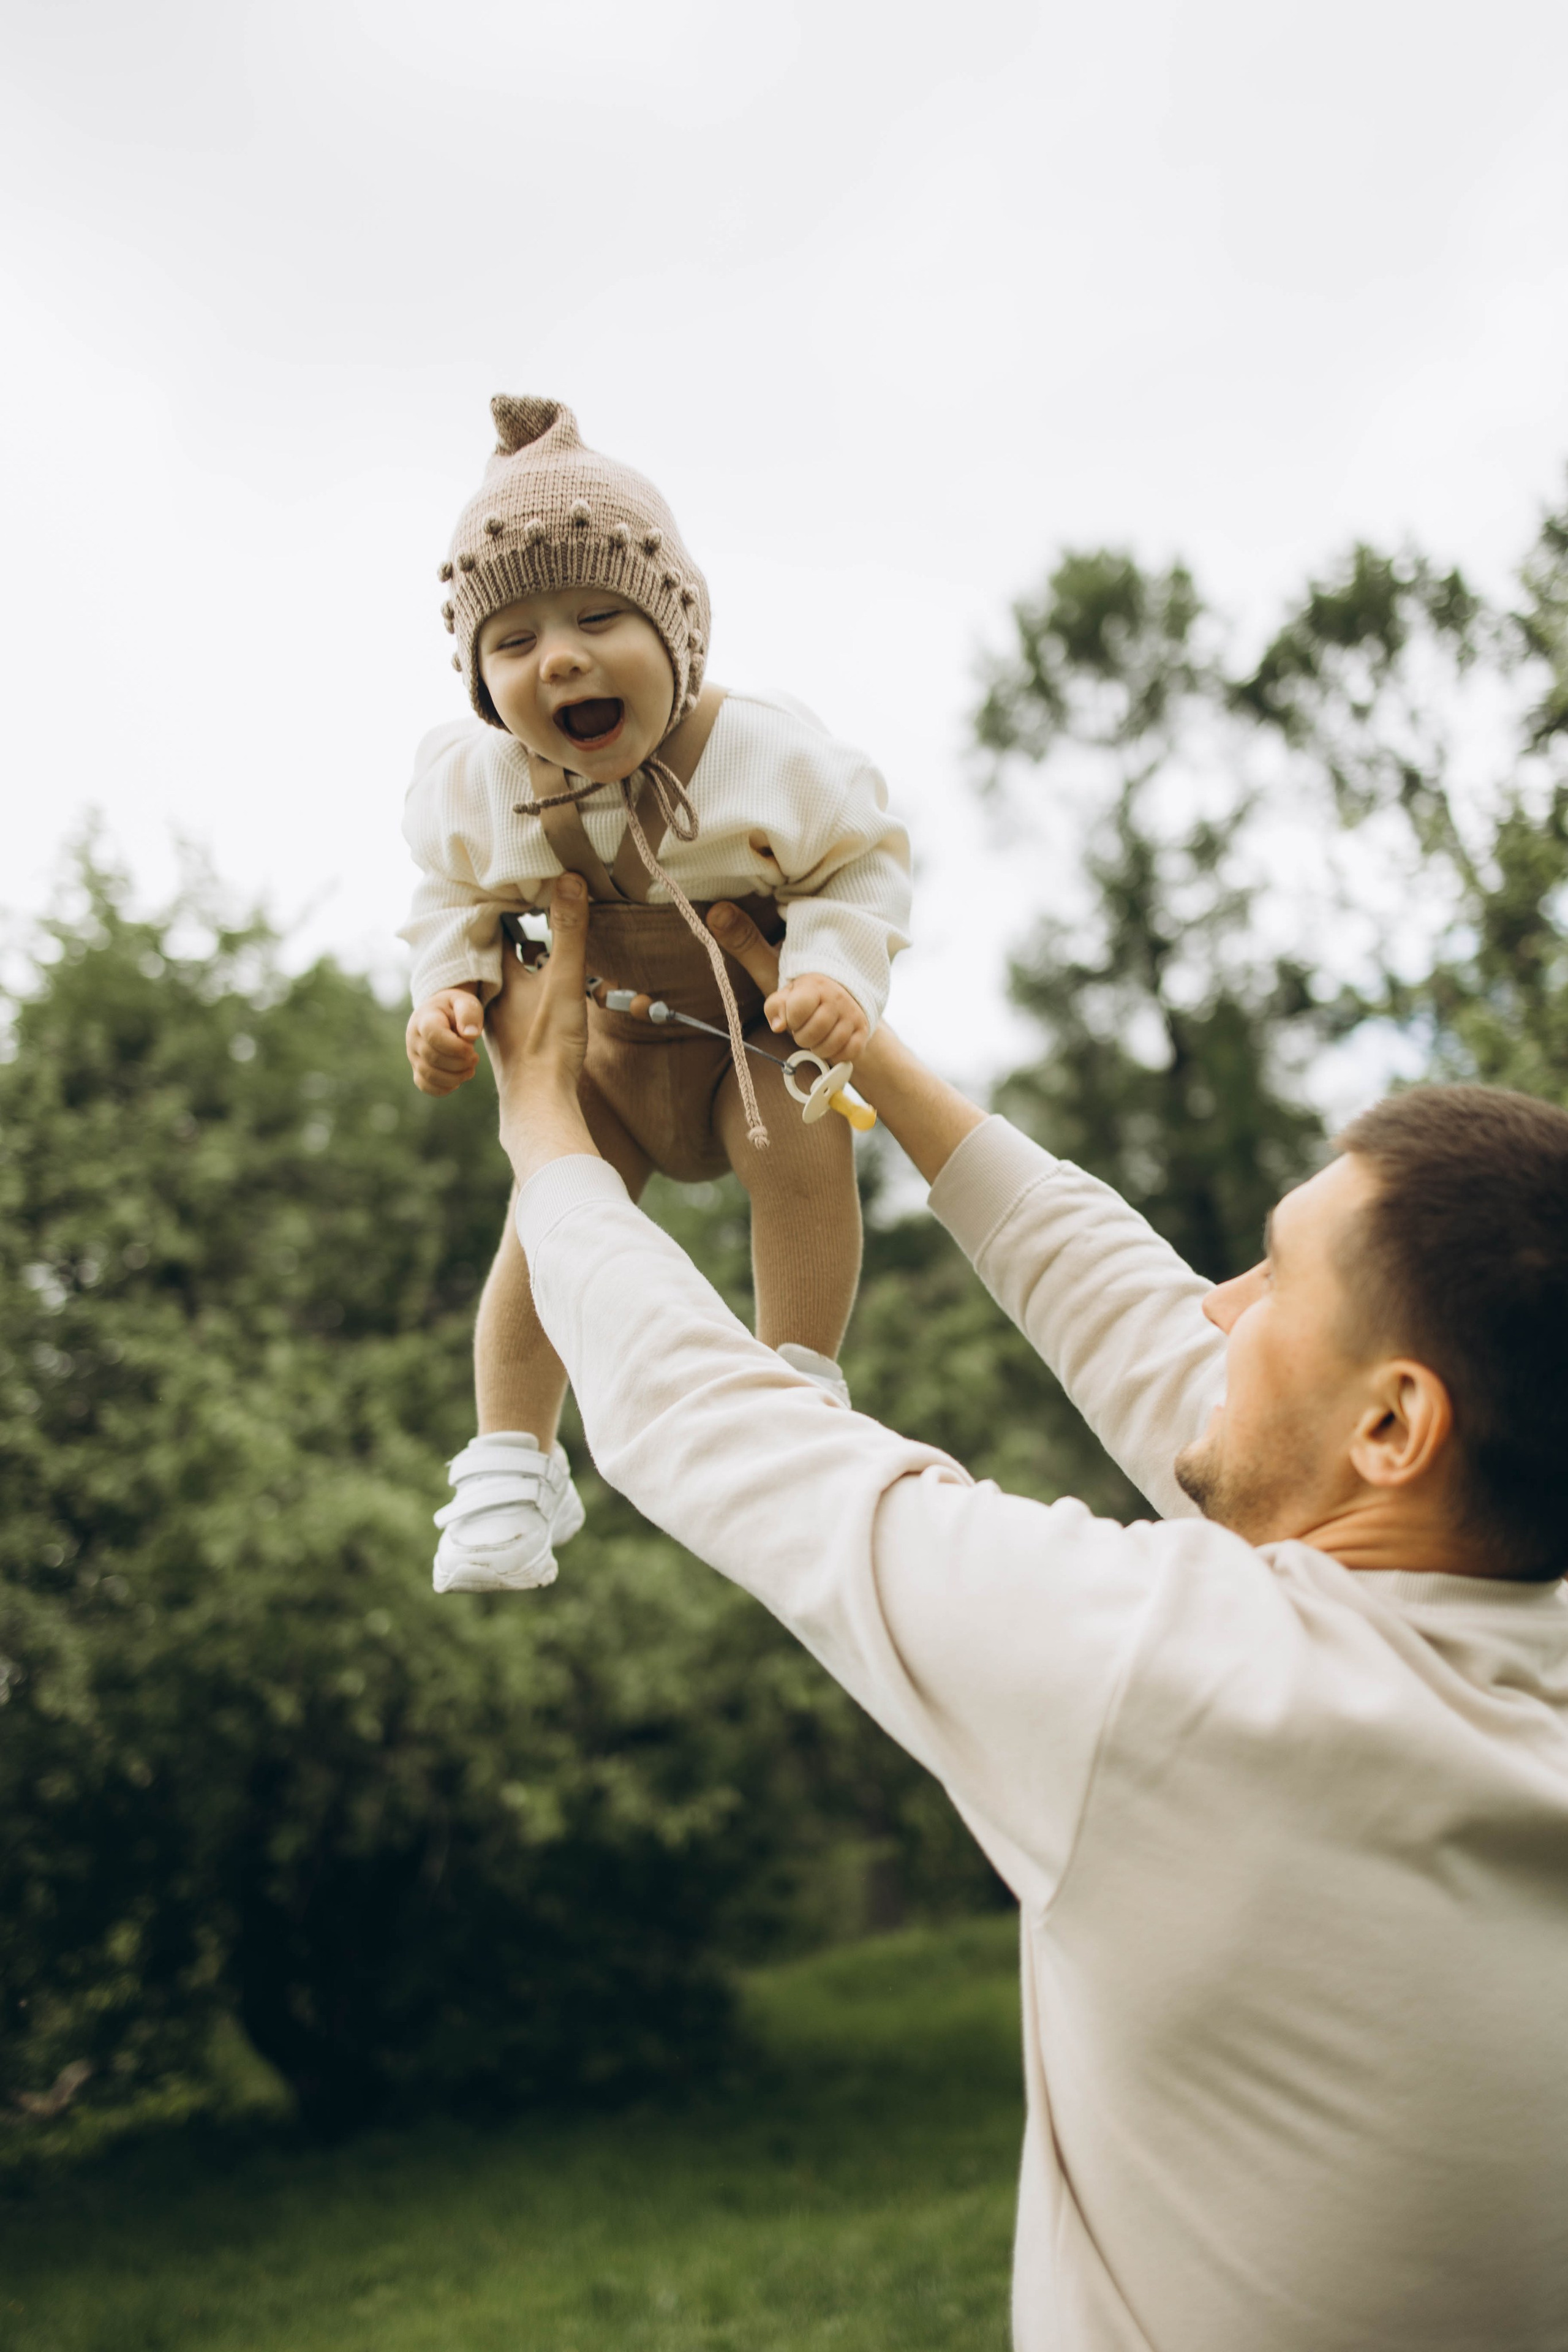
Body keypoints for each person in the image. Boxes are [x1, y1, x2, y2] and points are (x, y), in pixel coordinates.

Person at [481, 872, 1568, 2352]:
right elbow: (1138, 1324)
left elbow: (714, 1427)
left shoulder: (1181, 1696)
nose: (1217, 1305)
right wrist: (872, 1066)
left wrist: (544, 1126)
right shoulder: (1489, 1586)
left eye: (1273, 1282)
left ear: (1392, 1429)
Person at [399, 395, 910, 1596]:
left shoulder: (764, 758)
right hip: (607, 1066)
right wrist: (450, 992)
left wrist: (834, 971)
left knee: (800, 1141)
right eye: (512, 644)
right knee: (551, 1222)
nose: (559, 659)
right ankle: (512, 1458)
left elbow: (862, 858)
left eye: (595, 617)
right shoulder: (477, 789)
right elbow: (445, 897)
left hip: (745, 1035)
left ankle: (797, 1381)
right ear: (479, 682)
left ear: (676, 631)